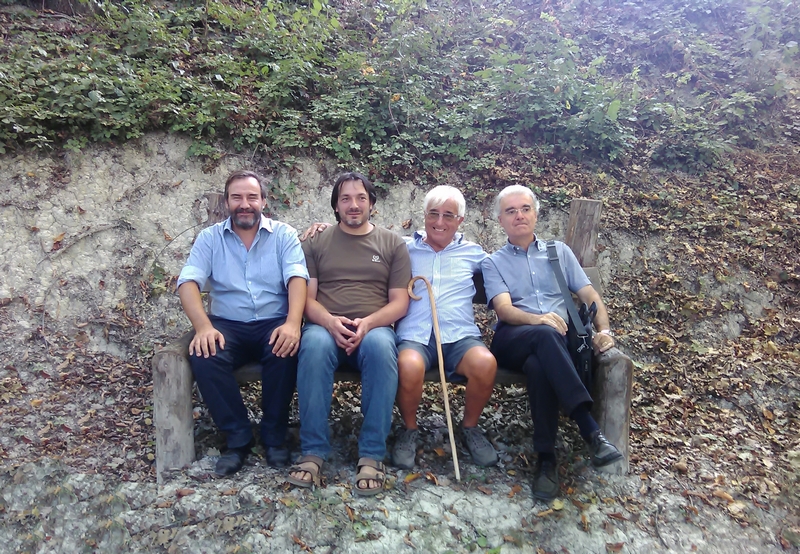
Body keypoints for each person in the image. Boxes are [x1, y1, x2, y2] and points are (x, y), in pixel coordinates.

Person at [481, 184, 622, 501]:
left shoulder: (559, 252)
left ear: (536, 214)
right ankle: (590, 430)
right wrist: (538, 320)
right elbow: (504, 310)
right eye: (511, 211)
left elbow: (589, 296)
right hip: (512, 339)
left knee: (540, 364)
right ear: (500, 220)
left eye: (525, 209)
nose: (519, 216)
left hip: (555, 345)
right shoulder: (494, 262)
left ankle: (546, 460)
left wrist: (605, 331)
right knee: (544, 336)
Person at [177, 170, 308, 477]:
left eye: (252, 197)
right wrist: (203, 327)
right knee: (204, 354)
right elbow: (188, 282)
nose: (245, 204)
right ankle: (237, 439)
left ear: (263, 201)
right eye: (237, 197)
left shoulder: (284, 235)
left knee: (284, 348)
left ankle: (274, 437)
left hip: (273, 320)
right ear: (227, 202)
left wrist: (292, 323)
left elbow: (297, 279)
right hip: (227, 324)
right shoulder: (210, 238)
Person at [287, 171, 411, 496]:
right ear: (336, 206)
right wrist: (329, 322)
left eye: (360, 198)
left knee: (384, 348)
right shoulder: (316, 242)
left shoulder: (392, 243)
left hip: (373, 330)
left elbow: (399, 303)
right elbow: (306, 299)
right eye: (345, 199)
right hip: (325, 327)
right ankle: (313, 452)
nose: (353, 205)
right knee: (311, 345)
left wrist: (369, 323)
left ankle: (371, 454)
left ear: (372, 203)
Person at [392, 185, 498, 469]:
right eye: (433, 214)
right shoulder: (403, 248)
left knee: (485, 364)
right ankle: (410, 430)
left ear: (460, 220)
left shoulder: (474, 254)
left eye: (448, 215)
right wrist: (330, 226)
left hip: (459, 338)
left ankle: (470, 428)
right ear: (424, 215)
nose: (440, 222)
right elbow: (365, 242)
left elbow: (506, 267)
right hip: (415, 336)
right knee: (408, 365)